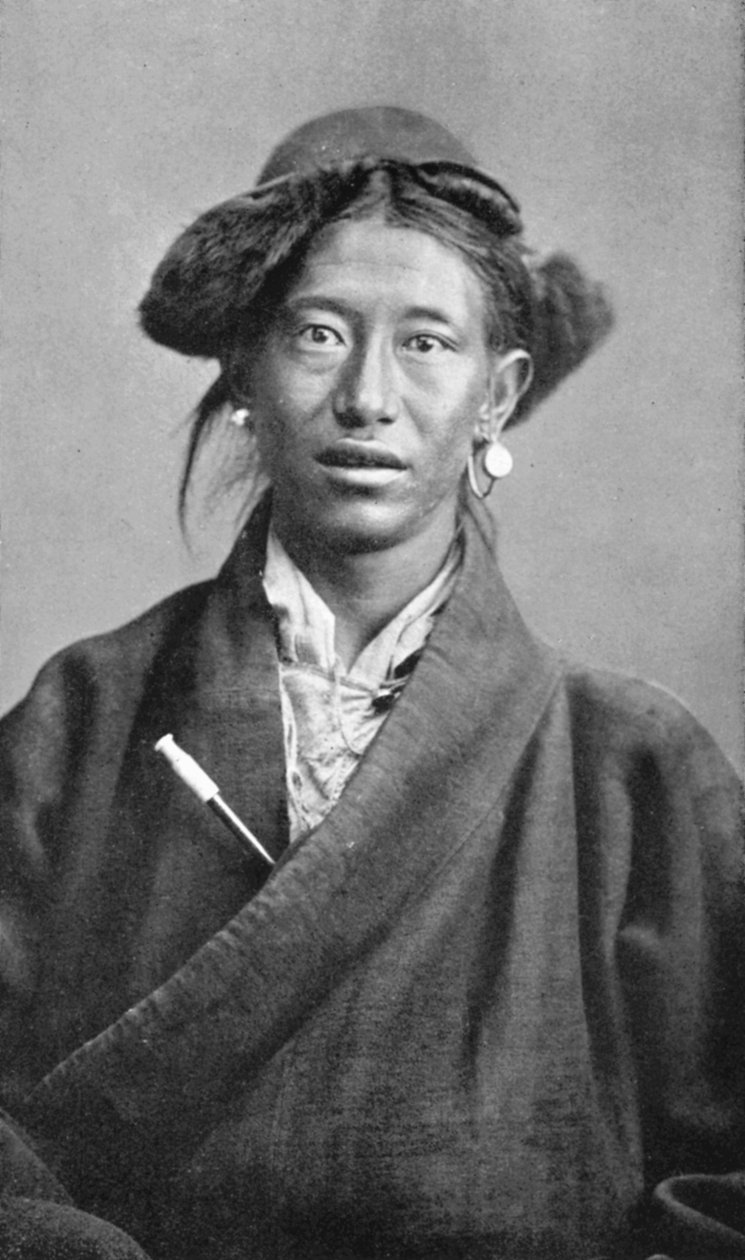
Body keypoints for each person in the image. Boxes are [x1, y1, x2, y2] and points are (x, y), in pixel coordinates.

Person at [0, 107, 743, 1260]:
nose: (366, 396)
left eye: (426, 342)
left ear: (497, 394)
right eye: (317, 334)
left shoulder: (631, 766)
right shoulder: (83, 720)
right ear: (244, 371)